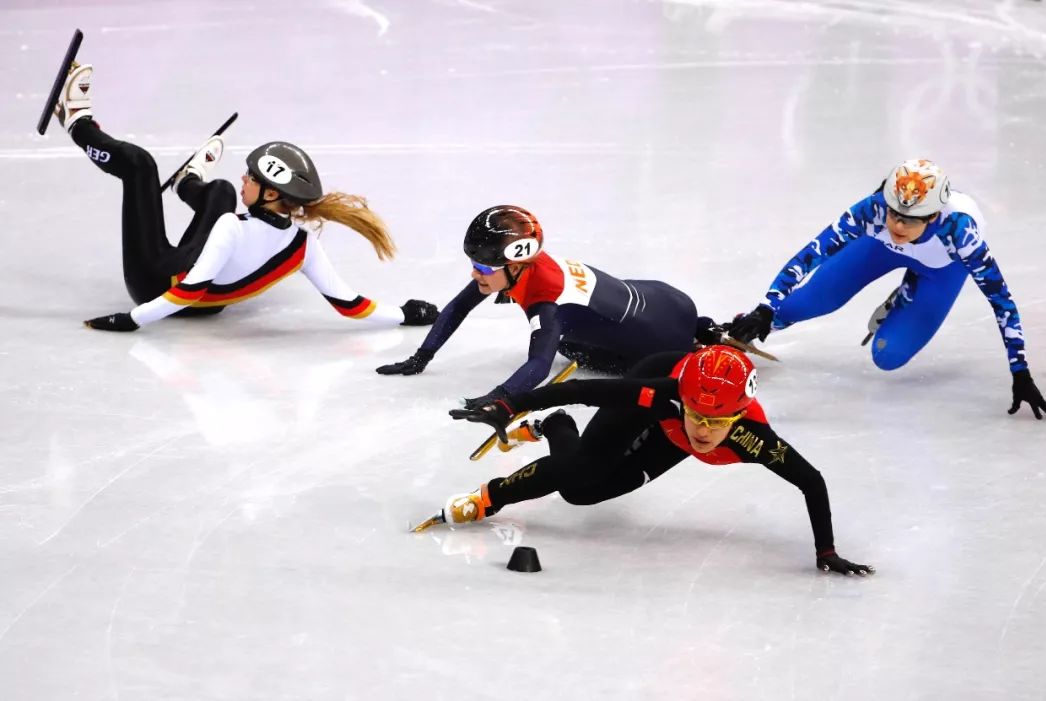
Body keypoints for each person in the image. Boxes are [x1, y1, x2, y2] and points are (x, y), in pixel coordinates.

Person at [418, 345, 873, 576]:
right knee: (579, 471)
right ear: (685, 402)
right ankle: (491, 496)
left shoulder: (754, 439)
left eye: (718, 423)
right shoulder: (664, 397)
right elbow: (582, 390)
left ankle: (555, 429)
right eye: (697, 415)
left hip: (668, 439)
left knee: (582, 494)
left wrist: (827, 552)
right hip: (653, 402)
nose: (704, 431)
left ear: (738, 417)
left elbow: (810, 481)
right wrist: (508, 405)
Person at [56, 62, 439, 332]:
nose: (245, 177)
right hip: (210, 303)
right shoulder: (302, 244)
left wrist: (132, 319)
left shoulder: (230, 227)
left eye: (251, 177)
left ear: (271, 192)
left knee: (139, 165)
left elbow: (188, 290)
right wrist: (405, 314)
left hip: (157, 284)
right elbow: (348, 303)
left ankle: (75, 119)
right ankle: (188, 181)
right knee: (221, 190)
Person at [722, 159, 1046, 420]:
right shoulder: (873, 210)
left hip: (939, 269)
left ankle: (907, 290)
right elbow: (810, 255)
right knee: (810, 301)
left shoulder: (961, 235)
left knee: (887, 356)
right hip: (877, 248)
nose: (897, 225)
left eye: (910, 220)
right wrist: (766, 309)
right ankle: (746, 327)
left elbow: (1002, 301)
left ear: (934, 216)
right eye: (895, 214)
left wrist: (1020, 371)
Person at [376, 205, 717, 408]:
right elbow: (458, 306)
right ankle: (701, 326)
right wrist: (421, 358)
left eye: (482, 268)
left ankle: (697, 339)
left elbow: (538, 366)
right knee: (568, 339)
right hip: (667, 298)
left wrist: (500, 397)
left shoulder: (547, 302)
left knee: (565, 345)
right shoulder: (519, 268)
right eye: (474, 264)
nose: (474, 273)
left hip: (659, 343)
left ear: (515, 265)